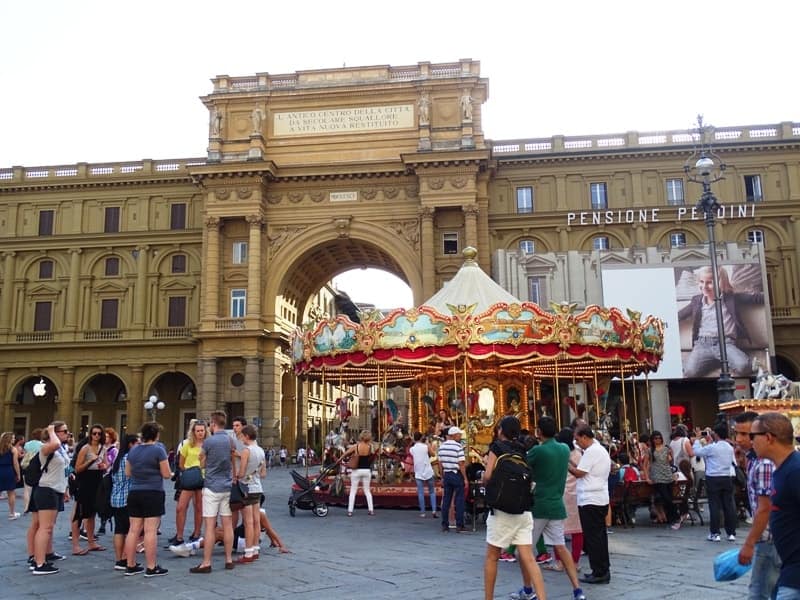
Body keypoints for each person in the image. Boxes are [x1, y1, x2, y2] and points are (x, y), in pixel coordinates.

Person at [483, 415, 546, 600]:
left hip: (502, 509)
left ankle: (488, 598)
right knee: (528, 557)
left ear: (500, 430)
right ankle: (542, 597)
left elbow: (487, 476)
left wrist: (486, 480)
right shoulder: (522, 449)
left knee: (492, 556)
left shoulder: (497, 447)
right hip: (523, 509)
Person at [525, 416, 585, 600]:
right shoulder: (564, 449)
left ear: (539, 432)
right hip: (557, 503)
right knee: (560, 547)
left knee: (526, 551)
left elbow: (525, 468)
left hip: (540, 503)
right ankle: (577, 589)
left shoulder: (537, 451)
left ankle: (528, 590)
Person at [677, 265, 764, 377]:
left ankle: (720, 359)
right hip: (703, 345)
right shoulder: (696, 301)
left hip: (725, 344)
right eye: (701, 282)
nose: (704, 286)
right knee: (689, 372)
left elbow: (755, 298)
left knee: (743, 367)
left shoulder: (731, 298)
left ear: (720, 283)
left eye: (709, 282)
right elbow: (680, 315)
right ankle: (712, 361)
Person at [749, 412, 800, 600]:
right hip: (789, 567)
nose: (750, 441)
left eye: (752, 436)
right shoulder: (782, 469)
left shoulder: (795, 470)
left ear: (768, 437)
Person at [734, 411, 781, 600]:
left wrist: (749, 543)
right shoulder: (753, 459)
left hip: (769, 537)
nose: (738, 439)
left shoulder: (764, 463)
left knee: (759, 593)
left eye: (746, 434)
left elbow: (765, 507)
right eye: (736, 433)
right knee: (778, 590)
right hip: (772, 536)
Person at [123, 421, 171, 577]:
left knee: (133, 530)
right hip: (153, 492)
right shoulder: (159, 450)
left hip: (135, 492)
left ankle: (130, 565)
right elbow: (166, 474)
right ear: (156, 434)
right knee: (150, 530)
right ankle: (151, 567)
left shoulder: (134, 450)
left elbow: (128, 473)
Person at [190, 410, 235, 574]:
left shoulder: (209, 442)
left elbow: (201, 463)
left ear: (213, 424)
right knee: (228, 525)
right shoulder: (230, 440)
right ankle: (229, 560)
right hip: (227, 487)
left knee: (209, 526)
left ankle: (206, 563)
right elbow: (232, 461)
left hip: (211, 487)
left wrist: (206, 461)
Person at [569, 424, 612, 584]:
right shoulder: (598, 450)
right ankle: (601, 569)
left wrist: (566, 465)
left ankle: (599, 571)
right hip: (598, 498)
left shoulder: (592, 451)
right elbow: (582, 468)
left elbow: (580, 473)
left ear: (585, 437)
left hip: (591, 499)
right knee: (598, 536)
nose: (577, 442)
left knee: (594, 538)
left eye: (578, 439)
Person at [28, 422, 71, 575]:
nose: (68, 433)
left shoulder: (59, 450)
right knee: (44, 527)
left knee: (49, 527)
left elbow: (63, 469)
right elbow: (55, 443)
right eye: (64, 431)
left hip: (56, 489)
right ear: (55, 433)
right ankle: (39, 563)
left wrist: (65, 489)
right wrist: (52, 431)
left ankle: (46, 554)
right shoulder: (47, 447)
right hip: (46, 489)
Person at [693, 424, 737, 542]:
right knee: (728, 505)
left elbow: (697, 452)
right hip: (726, 477)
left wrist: (697, 439)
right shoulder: (729, 447)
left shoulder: (712, 447)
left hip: (713, 478)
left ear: (716, 434)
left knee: (714, 506)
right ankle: (731, 533)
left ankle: (715, 533)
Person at [71, 424, 108, 553]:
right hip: (85, 481)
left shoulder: (103, 448)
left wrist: (103, 466)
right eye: (94, 433)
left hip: (97, 480)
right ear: (90, 435)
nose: (96, 436)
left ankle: (91, 542)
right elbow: (77, 468)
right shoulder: (85, 448)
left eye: (99, 433)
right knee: (80, 514)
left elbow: (107, 465)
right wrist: (89, 461)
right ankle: (75, 545)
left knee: (92, 513)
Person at [235, 424, 266, 563]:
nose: (241, 438)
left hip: (246, 488)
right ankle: (255, 549)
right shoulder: (261, 450)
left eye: (242, 435)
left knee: (248, 522)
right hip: (258, 487)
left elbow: (241, 472)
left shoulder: (247, 451)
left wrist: (237, 475)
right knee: (256, 521)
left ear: (247, 436)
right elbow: (263, 473)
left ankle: (248, 553)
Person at [173, 420, 206, 546]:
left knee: (199, 507)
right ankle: (179, 536)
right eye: (197, 431)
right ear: (193, 431)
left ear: (205, 431)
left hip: (202, 478)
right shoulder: (187, 444)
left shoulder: (207, 445)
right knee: (180, 507)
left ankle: (196, 533)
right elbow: (181, 463)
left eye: (202, 430)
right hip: (189, 478)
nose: (200, 433)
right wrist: (190, 472)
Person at [110, 434, 139, 571]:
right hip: (128, 497)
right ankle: (127, 559)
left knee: (119, 529)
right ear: (130, 444)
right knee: (130, 531)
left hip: (116, 497)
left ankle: (119, 559)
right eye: (136, 443)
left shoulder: (118, 458)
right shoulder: (130, 458)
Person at [438, 425, 468, 533]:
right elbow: (461, 463)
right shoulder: (458, 447)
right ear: (454, 435)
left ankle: (445, 525)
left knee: (446, 499)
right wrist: (465, 478)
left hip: (447, 474)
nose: (460, 436)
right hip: (456, 474)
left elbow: (440, 463)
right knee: (459, 500)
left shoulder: (442, 447)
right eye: (459, 434)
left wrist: (442, 476)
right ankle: (459, 524)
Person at [646, 430, 678, 528]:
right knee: (666, 498)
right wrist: (647, 477)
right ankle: (675, 517)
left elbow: (671, 462)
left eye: (659, 438)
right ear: (652, 439)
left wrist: (674, 474)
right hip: (657, 477)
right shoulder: (650, 450)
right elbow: (646, 465)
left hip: (668, 474)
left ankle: (671, 517)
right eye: (655, 438)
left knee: (669, 497)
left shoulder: (666, 448)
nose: (658, 440)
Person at [342, 430, 375, 517]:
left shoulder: (356, 446)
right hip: (367, 470)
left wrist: (339, 459)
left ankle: (350, 511)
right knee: (367, 491)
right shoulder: (370, 447)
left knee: (353, 491)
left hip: (356, 470)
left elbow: (346, 453)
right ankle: (371, 510)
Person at [409, 431, 437, 518]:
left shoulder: (412, 449)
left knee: (421, 493)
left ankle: (423, 512)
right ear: (421, 438)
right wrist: (428, 443)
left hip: (418, 471)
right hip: (428, 470)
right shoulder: (425, 446)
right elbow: (433, 454)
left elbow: (414, 451)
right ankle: (434, 510)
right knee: (432, 491)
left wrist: (413, 440)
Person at [21, 427, 44, 511]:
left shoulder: (27, 444)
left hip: (27, 466)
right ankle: (35, 506)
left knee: (26, 488)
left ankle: (26, 507)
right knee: (36, 488)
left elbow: (24, 454)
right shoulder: (42, 445)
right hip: (37, 468)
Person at [0, 431, 21, 519]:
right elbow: (15, 463)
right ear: (8, 439)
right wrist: (18, 474)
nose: (14, 439)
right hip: (8, 471)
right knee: (11, 492)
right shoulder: (13, 449)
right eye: (12, 438)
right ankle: (12, 513)